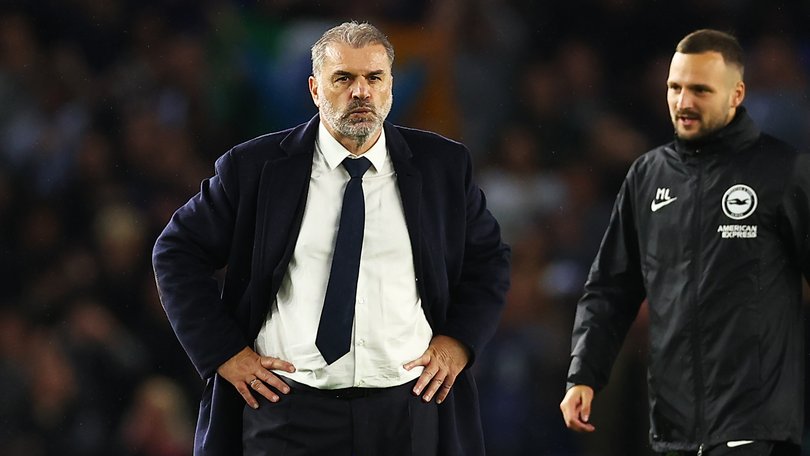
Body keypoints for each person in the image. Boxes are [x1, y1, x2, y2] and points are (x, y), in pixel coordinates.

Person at [152, 21, 510, 456]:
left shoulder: (443, 167)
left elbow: (488, 259)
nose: (361, 92)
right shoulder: (254, 168)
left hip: (408, 410)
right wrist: (225, 352)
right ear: (315, 89)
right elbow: (176, 251)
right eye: (343, 78)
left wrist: (458, 341)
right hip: (287, 408)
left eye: (373, 78)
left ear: (390, 86)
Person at [559, 28, 810, 456]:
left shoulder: (784, 173)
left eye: (700, 90)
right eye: (675, 88)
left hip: (756, 428)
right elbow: (610, 289)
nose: (683, 103)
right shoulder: (647, 176)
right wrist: (584, 374)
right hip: (673, 430)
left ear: (736, 94)